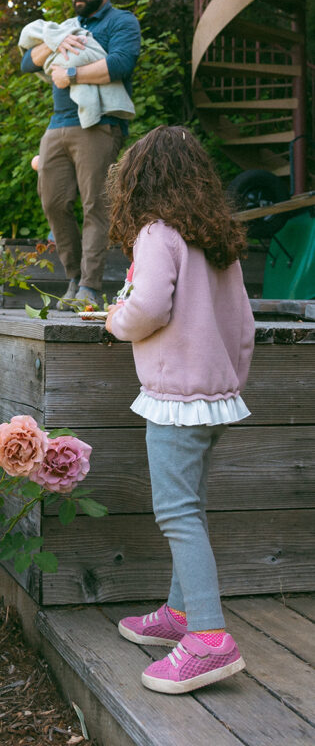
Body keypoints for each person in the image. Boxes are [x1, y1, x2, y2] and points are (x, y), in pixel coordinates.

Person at [105, 126, 254, 694]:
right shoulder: (216, 243)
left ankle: (210, 639)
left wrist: (116, 319)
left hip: (176, 402)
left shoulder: (156, 233)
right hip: (217, 397)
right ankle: (180, 614)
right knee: (189, 507)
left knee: (177, 515)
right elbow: (243, 326)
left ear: (140, 180)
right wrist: (229, 383)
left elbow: (146, 307)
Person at [20, 0, 140, 309]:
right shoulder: (67, 25)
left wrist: (70, 74)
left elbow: (121, 63)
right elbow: (28, 62)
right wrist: (56, 43)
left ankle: (89, 285)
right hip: (58, 124)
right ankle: (73, 277)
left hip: (99, 124)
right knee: (53, 202)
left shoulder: (122, 21)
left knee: (94, 205)